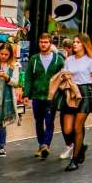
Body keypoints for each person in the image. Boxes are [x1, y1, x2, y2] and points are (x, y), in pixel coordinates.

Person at [60, 34, 92, 172]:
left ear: (84, 44)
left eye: (78, 42)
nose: (75, 44)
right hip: (70, 93)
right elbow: (64, 74)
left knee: (78, 127)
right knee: (67, 129)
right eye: (74, 42)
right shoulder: (69, 60)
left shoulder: (90, 61)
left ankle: (74, 160)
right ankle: (80, 146)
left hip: (85, 92)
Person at [24, 32, 64, 160]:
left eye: (46, 42)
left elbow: (64, 76)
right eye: (41, 42)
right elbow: (28, 78)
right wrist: (26, 94)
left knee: (49, 121)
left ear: (50, 43)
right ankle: (42, 144)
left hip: (51, 97)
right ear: (39, 43)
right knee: (39, 121)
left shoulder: (58, 60)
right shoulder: (34, 59)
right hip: (37, 96)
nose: (43, 44)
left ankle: (46, 145)